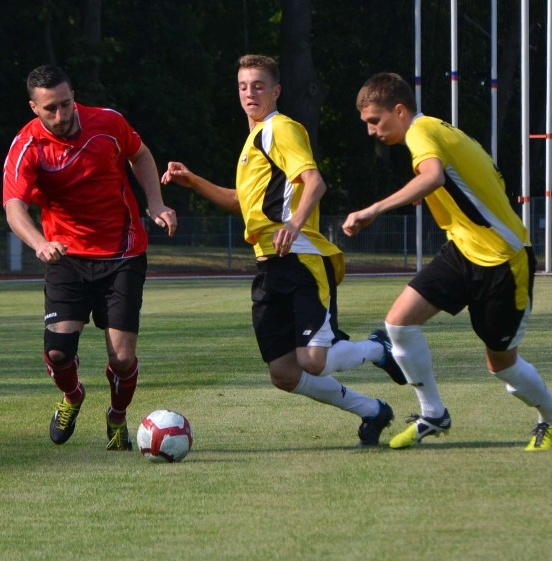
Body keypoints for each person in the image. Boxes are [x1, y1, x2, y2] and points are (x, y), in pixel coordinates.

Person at [160, 54, 405, 447]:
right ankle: (371, 411)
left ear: (276, 90)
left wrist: (294, 224)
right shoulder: (253, 140)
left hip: (299, 257)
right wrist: (193, 181)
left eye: (258, 85)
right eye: (243, 86)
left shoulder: (281, 128)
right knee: (284, 373)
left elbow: (314, 182)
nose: (249, 93)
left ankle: (377, 349)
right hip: (267, 265)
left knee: (312, 360)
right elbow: (242, 201)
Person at [342, 72, 552, 452]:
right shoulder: (435, 130)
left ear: (399, 111)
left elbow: (432, 178)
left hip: (502, 260)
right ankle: (433, 413)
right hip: (463, 250)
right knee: (399, 322)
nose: (371, 131)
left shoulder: (421, 132)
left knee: (502, 364)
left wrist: (373, 209)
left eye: (374, 121)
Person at [3, 64, 177, 450]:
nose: (62, 116)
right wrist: (39, 243)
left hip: (123, 253)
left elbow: (141, 154)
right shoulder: (27, 148)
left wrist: (155, 203)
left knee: (121, 358)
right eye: (51, 109)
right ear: (34, 107)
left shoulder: (108, 123)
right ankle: (72, 397)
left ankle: (117, 417)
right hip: (65, 256)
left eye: (67, 104)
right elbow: (14, 206)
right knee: (57, 350)